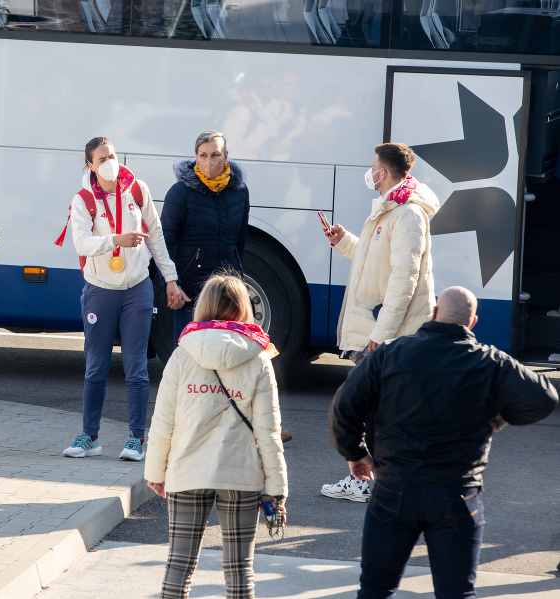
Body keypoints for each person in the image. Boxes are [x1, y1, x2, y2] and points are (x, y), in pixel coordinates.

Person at [329, 286, 558, 599]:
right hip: (458, 494)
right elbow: (545, 397)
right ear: (473, 322)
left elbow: (344, 406)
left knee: (375, 589)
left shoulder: (390, 353)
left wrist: (354, 453)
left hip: (395, 489)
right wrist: (504, 415)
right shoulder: (490, 362)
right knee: (456, 593)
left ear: (434, 312)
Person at [145, 273, 288, 599]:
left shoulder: (183, 353)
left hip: (187, 471)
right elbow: (269, 433)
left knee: (179, 566)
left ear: (203, 306)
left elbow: (163, 420)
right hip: (241, 475)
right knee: (240, 570)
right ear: (243, 308)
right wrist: (276, 488)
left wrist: (155, 471)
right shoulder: (259, 359)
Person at [320, 142, 440, 502]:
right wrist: (344, 242)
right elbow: (375, 259)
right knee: (376, 409)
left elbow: (404, 280)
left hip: (387, 333)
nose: (369, 171)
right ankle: (375, 480)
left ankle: (371, 482)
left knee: (375, 411)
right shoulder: (392, 209)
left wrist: (380, 335)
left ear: (383, 172)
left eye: (372, 165)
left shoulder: (406, 214)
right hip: (381, 329)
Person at [60, 136, 185, 461]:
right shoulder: (84, 199)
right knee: (96, 367)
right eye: (101, 158)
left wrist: (170, 279)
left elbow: (155, 235)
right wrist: (116, 239)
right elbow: (81, 244)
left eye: (111, 155)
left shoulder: (137, 189)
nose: (109, 162)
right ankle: (89, 436)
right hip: (100, 289)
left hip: (137, 288)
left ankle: (136, 439)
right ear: (90, 164)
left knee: (136, 367)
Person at [160, 131, 250, 343]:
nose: (209, 161)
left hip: (227, 292)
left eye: (215, 155)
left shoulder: (240, 191)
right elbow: (165, 244)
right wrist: (174, 284)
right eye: (203, 155)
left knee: (224, 356)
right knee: (188, 357)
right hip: (190, 292)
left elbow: (240, 242)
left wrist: (237, 277)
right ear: (196, 156)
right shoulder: (180, 192)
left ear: (225, 156)